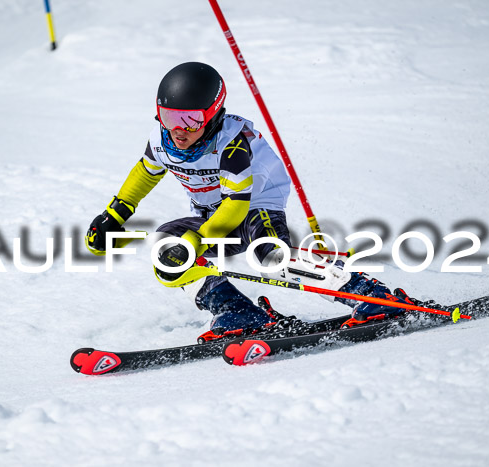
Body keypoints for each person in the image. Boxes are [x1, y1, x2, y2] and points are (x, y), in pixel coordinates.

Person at [86, 62, 419, 341]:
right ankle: (238, 312)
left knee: (271, 257)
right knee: (167, 253)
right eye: (169, 117)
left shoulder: (231, 143)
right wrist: (113, 215)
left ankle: (371, 296)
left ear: (213, 114)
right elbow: (146, 172)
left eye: (191, 121)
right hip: (213, 215)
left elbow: (236, 205)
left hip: (255, 206)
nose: (179, 131)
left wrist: (200, 238)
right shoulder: (162, 138)